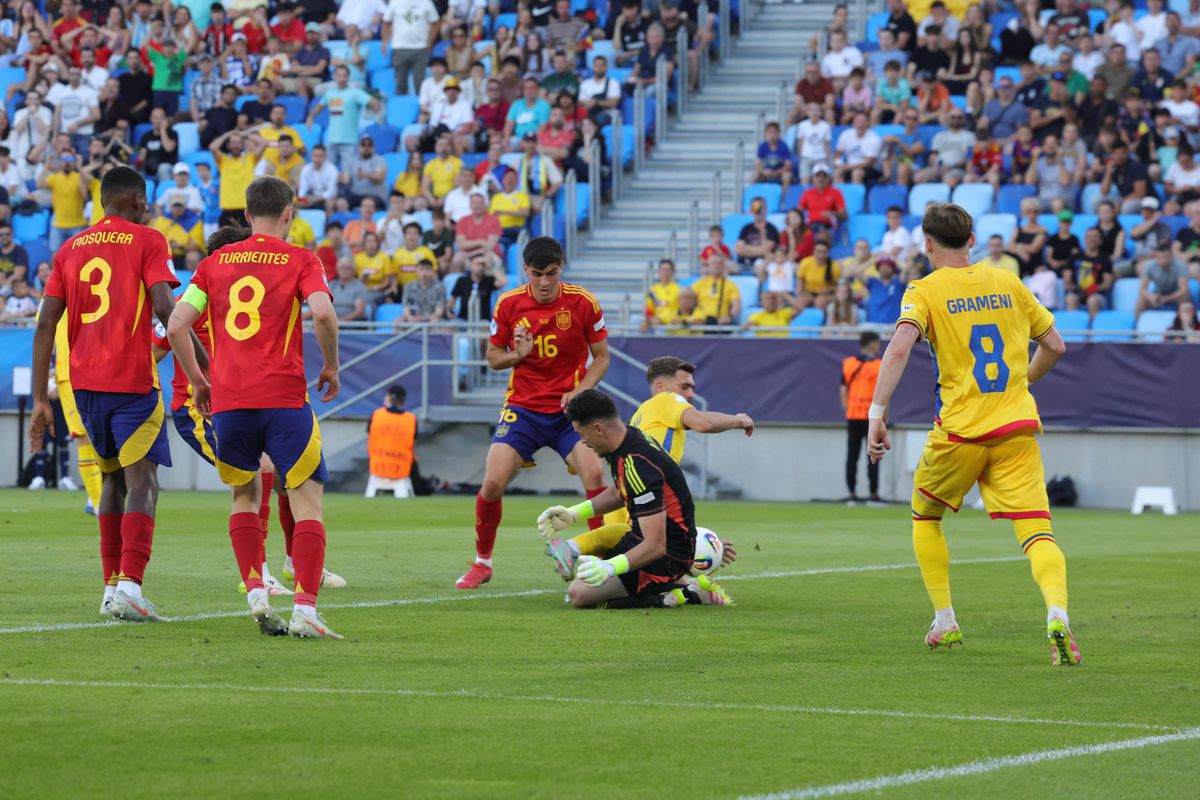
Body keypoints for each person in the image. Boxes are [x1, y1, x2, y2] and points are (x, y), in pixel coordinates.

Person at [866, 202, 1078, 667]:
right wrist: (1022, 383)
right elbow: (1056, 345)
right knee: (1037, 531)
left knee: (926, 516)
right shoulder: (1008, 281)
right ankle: (1057, 613)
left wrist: (875, 413)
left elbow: (900, 347)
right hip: (1017, 427)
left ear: (926, 243)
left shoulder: (924, 290)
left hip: (961, 431)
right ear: (972, 240)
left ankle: (945, 621)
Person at [167, 176, 343, 639]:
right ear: (289, 213)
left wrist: (201, 380)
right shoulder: (302, 259)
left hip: (230, 402)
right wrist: (331, 366)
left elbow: (176, 323)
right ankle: (305, 608)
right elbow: (323, 312)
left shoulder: (214, 262)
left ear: (247, 216)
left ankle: (255, 590)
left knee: (244, 494)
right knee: (307, 499)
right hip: (284, 399)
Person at [29, 166, 180, 622]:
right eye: (147, 201)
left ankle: (111, 588)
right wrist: (203, 369)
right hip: (133, 380)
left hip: (86, 386)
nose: (148, 208)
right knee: (143, 482)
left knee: (112, 481)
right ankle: (131, 585)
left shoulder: (69, 248)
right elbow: (167, 308)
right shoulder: (149, 240)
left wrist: (41, 399)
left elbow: (44, 323)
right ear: (135, 201)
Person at [454, 237, 609, 590]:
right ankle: (482, 563)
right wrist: (516, 356)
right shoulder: (509, 303)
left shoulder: (583, 303)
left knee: (595, 473)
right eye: (537, 274)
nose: (544, 282)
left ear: (561, 269)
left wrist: (580, 391)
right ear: (525, 270)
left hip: (569, 411)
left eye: (551, 274)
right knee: (492, 483)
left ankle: (602, 562)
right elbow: (494, 358)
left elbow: (601, 358)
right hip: (523, 408)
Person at [542, 356, 750, 584]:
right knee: (651, 556)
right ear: (661, 387)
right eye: (685, 386)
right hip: (641, 501)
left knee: (618, 566)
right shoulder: (666, 401)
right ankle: (687, 591)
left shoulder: (642, 414)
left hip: (631, 498)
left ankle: (573, 550)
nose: (690, 394)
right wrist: (739, 420)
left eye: (692, 387)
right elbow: (704, 423)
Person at [537, 390, 730, 609]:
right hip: (643, 538)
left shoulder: (638, 463)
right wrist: (574, 513)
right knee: (599, 560)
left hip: (668, 556)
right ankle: (681, 584)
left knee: (578, 595)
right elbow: (621, 491)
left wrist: (610, 567)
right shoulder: (625, 440)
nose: (583, 442)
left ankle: (684, 593)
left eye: (582, 435)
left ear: (598, 429)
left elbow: (656, 545)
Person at [842, 332, 883, 506]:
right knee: (873, 456)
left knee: (852, 455)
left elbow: (843, 390)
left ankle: (852, 494)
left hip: (853, 415)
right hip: (872, 417)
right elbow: (883, 393)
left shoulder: (849, 363)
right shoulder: (880, 365)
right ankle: (873, 495)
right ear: (872, 344)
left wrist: (848, 410)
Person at [366, 384, 418, 495]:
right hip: (401, 470)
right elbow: (414, 441)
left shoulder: (376, 414)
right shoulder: (411, 419)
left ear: (389, 398)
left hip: (377, 468)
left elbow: (369, 434)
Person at [382, 0, 440, 95]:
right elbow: (386, 22)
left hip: (420, 48)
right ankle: (401, 106)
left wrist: (430, 41)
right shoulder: (395, 2)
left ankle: (421, 108)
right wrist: (384, 42)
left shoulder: (426, 2)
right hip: (399, 47)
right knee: (400, 82)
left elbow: (435, 22)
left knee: (420, 83)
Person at [401, 259, 446, 323]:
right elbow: (406, 307)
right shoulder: (409, 286)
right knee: (398, 322)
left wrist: (421, 318)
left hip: (431, 319)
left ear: (432, 271)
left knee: (436, 322)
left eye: (428, 269)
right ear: (416, 271)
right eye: (421, 269)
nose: (424, 273)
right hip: (413, 320)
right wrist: (409, 317)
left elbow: (439, 312)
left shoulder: (439, 287)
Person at [753, 121, 793, 192]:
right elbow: (757, 164)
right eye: (769, 132)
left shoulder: (783, 146)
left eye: (774, 132)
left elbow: (788, 165)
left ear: (778, 134)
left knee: (787, 177)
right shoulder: (763, 146)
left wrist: (775, 172)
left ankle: (783, 199)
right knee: (754, 176)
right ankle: (756, 197)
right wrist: (763, 171)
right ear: (766, 134)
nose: (772, 135)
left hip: (779, 173)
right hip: (766, 172)